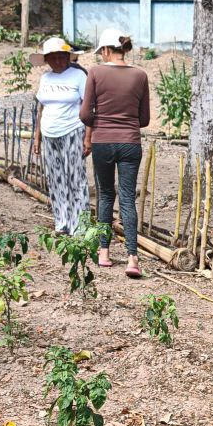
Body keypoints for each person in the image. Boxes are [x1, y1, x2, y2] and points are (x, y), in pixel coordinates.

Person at [79, 27, 150, 279]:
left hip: (103, 143)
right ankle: (133, 258)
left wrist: (101, 121)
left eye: (101, 51)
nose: (101, 55)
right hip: (130, 143)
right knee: (128, 198)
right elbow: (144, 119)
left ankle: (104, 252)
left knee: (106, 195)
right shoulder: (140, 75)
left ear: (107, 50)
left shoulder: (95, 73)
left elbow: (85, 114)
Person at [32, 37, 89, 235]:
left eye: (61, 56)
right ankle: (62, 222)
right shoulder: (46, 78)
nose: (58, 61)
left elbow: (89, 107)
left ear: (68, 57)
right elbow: (41, 109)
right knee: (55, 178)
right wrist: (37, 137)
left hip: (73, 130)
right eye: (53, 57)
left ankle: (80, 226)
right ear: (47, 60)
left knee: (75, 178)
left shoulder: (79, 76)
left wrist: (88, 137)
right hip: (49, 133)